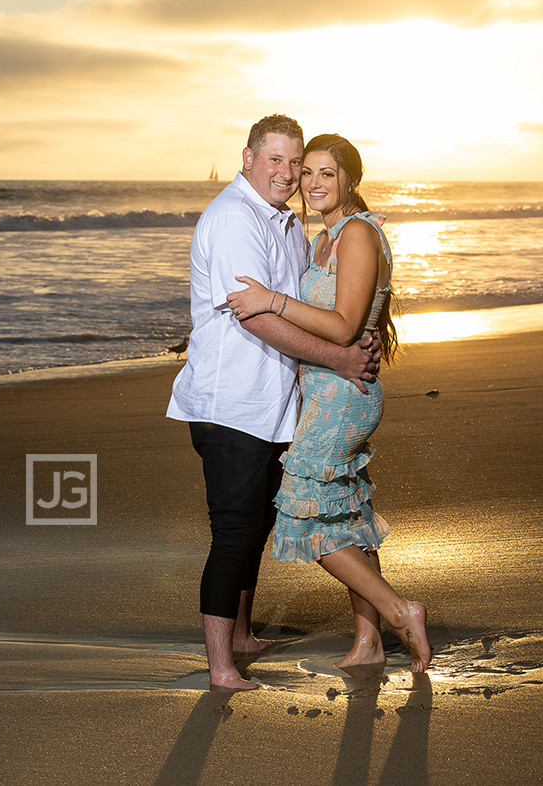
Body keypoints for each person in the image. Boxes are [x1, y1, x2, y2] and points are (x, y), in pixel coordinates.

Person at [166, 115, 381, 691]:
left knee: (257, 524)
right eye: (278, 161)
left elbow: (317, 301)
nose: (288, 174)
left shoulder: (285, 221)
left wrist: (363, 327)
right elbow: (257, 314)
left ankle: (239, 635)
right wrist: (338, 356)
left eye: (298, 164)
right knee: (234, 530)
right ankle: (220, 665)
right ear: (248, 158)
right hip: (231, 403)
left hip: (275, 402)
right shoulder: (237, 217)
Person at [227, 134, 431, 673]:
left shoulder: (358, 234)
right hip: (323, 392)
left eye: (326, 174)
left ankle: (398, 611)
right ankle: (367, 644)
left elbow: (343, 327)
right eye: (307, 172)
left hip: (343, 397)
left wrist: (272, 300)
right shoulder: (325, 239)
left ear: (351, 181)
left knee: (306, 518)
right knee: (347, 516)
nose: (312, 183)